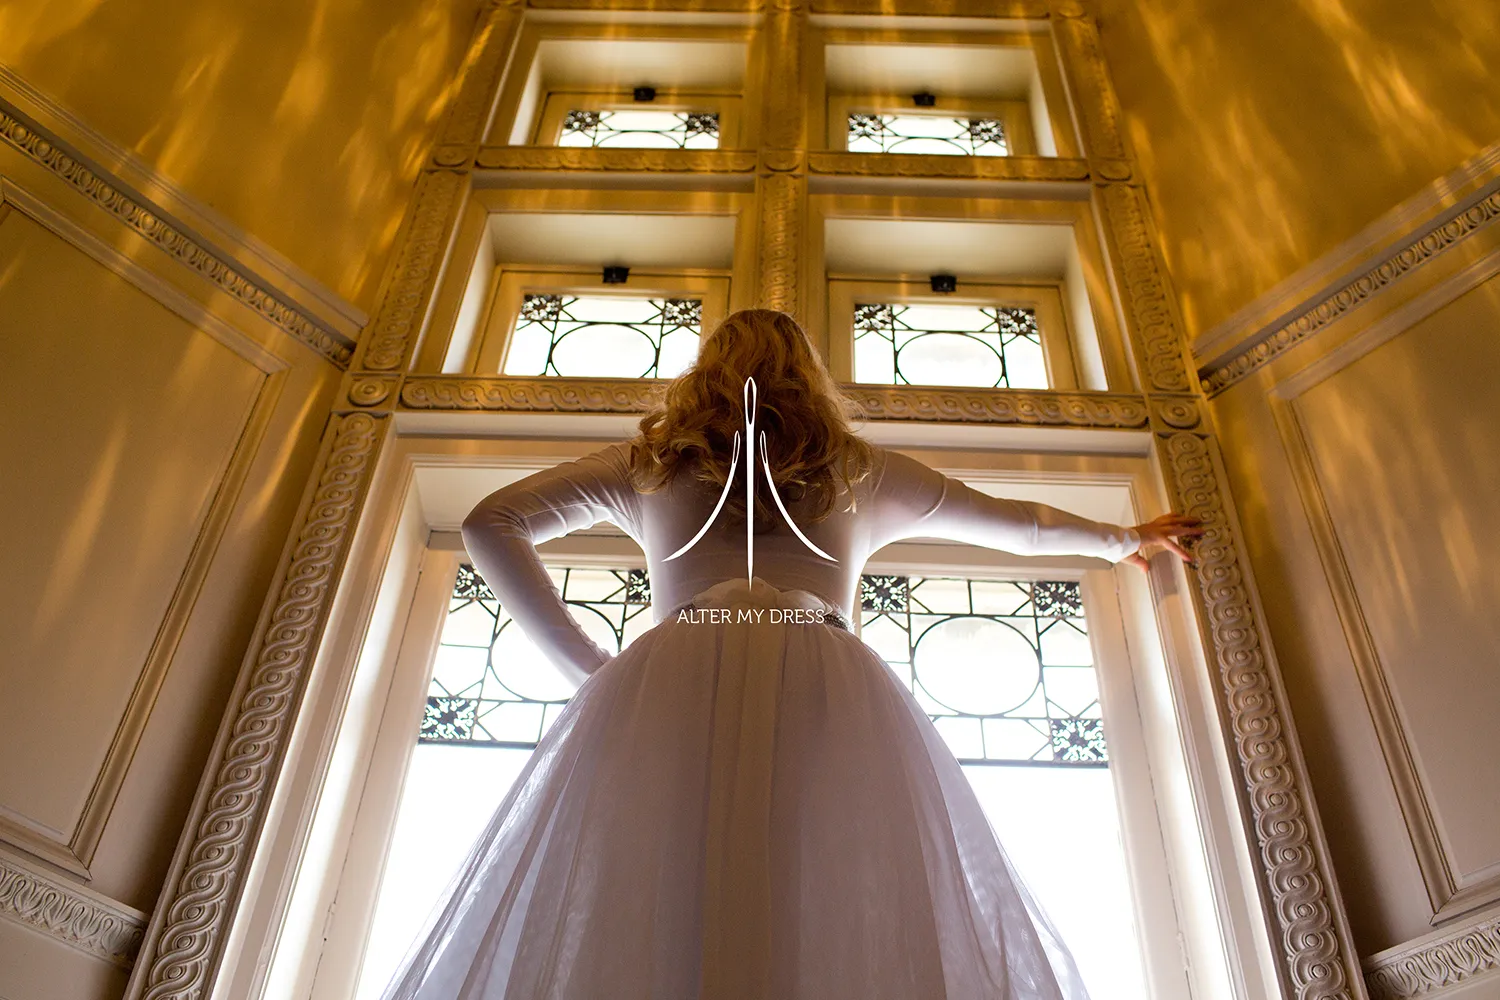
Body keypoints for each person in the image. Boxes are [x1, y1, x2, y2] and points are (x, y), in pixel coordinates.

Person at [379, 309, 1203, 1000]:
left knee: (658, 877)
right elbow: (1015, 524)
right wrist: (1124, 538)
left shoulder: (652, 464)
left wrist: (597, 670)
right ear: (809, 374)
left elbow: (492, 522)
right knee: (831, 877)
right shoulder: (858, 471)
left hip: (677, 671)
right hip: (825, 674)